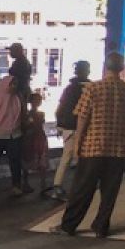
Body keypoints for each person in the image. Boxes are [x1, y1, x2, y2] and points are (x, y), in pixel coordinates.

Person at [52, 52, 125, 238]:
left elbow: (82, 118)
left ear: (105, 67)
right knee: (109, 191)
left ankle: (68, 226)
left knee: (82, 189)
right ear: (122, 68)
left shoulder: (93, 88)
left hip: (93, 148)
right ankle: (101, 226)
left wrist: (78, 145)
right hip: (118, 149)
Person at [52, 60, 92, 200]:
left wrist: (59, 125)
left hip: (68, 129)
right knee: (84, 158)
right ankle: (79, 188)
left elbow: (59, 109)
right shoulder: (90, 88)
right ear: (86, 71)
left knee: (67, 157)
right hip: (85, 128)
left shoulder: (69, 89)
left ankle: (58, 186)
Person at [21, 91, 48, 195]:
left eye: (38, 100)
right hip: (36, 137)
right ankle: (41, 184)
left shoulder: (29, 114)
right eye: (36, 100)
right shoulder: (37, 114)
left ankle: (33, 183)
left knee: (35, 160)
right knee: (38, 160)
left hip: (33, 138)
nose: (37, 102)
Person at [8, 42, 32, 113]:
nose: (10, 53)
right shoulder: (19, 62)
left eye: (12, 51)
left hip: (20, 92)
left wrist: (14, 88)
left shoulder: (22, 63)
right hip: (20, 91)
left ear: (18, 51)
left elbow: (19, 79)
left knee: (19, 113)